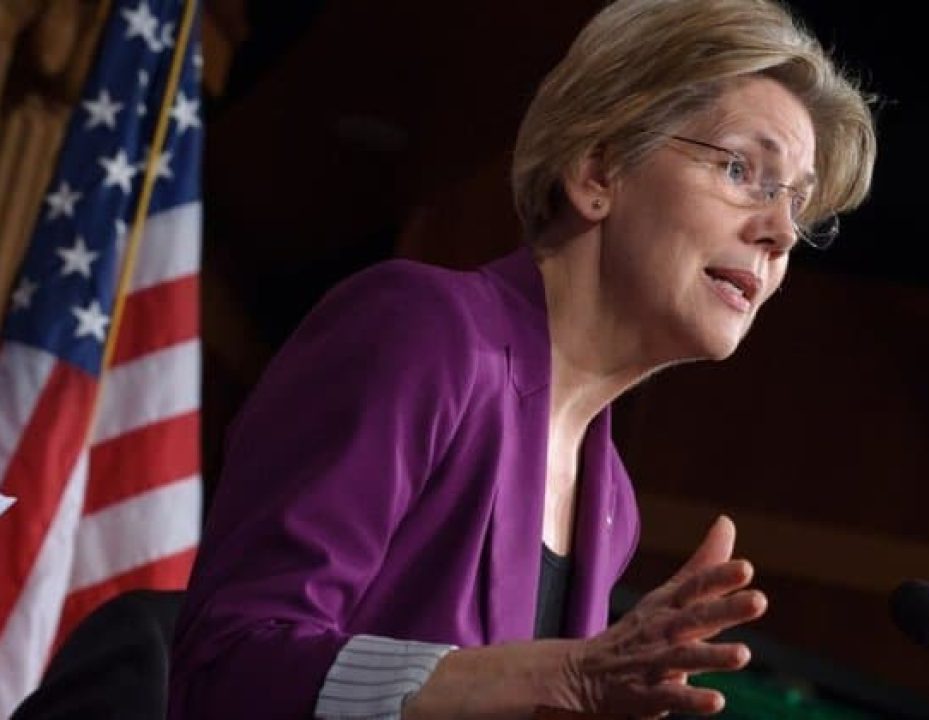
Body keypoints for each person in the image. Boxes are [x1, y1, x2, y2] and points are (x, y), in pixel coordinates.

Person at [167, 0, 876, 717]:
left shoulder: (612, 504)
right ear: (598, 171)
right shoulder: (423, 332)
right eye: (740, 169)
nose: (782, 232)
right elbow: (228, 667)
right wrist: (551, 679)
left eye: (798, 205)